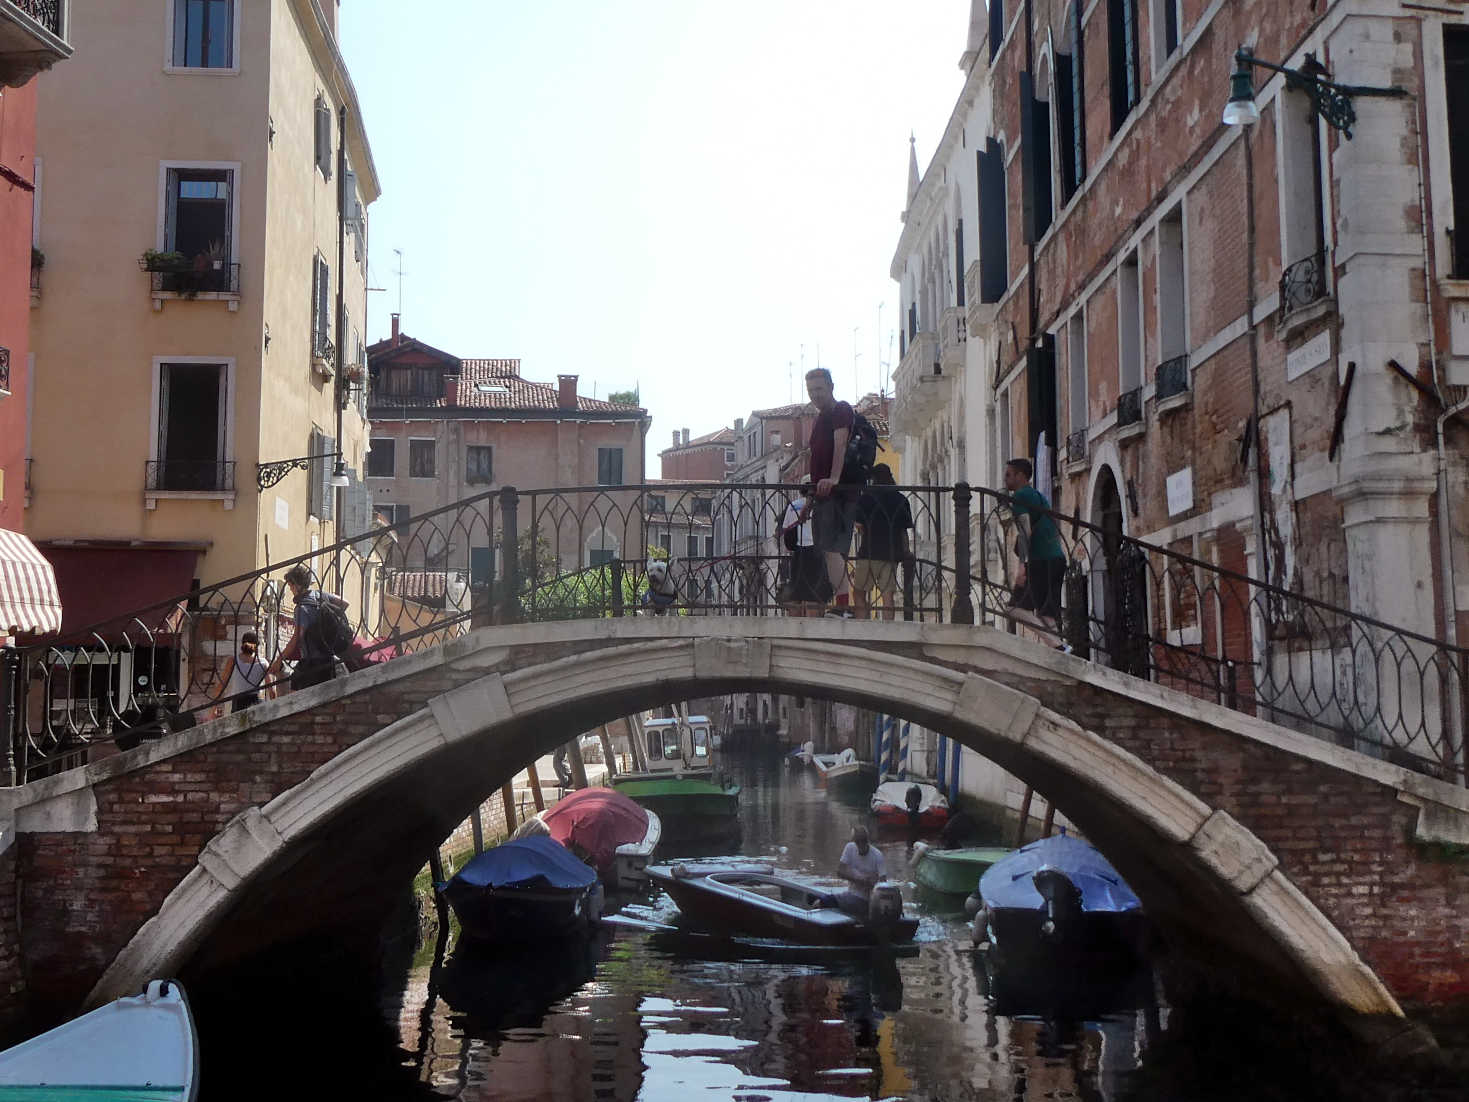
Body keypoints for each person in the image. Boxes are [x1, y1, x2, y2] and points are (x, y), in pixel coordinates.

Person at [804, 368, 857, 618]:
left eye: (819, 389)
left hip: (838, 494)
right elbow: (817, 461)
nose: (815, 395)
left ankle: (844, 606)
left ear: (831, 387)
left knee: (833, 550)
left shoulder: (841, 410)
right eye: (811, 391)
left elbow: (841, 444)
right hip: (822, 495)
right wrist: (809, 502)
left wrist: (834, 478)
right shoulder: (819, 420)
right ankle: (840, 603)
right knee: (828, 552)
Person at [1004, 457, 1068, 649]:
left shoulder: (1021, 496)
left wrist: (1022, 565)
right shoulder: (1038, 496)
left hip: (1040, 560)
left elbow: (1025, 530)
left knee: (1014, 608)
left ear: (1021, 476)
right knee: (1047, 612)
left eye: (1009, 475)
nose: (1005, 479)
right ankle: (1060, 652)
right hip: (1056, 559)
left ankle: (1057, 646)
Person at [264, 564, 346, 692]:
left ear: (297, 585)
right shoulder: (320, 595)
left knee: (295, 698)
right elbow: (345, 603)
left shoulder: (302, 608)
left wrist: (279, 660)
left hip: (312, 662)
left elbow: (296, 639)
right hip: (328, 659)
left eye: (291, 585)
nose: (290, 589)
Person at [851, 464, 914, 620]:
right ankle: (888, 628)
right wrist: (905, 552)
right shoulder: (901, 499)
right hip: (891, 553)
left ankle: (862, 625)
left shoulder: (866, 498)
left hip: (869, 551)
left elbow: (858, 525)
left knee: (859, 592)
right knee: (888, 595)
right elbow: (903, 531)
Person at [777, 486, 830, 616]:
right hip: (818, 551)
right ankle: (814, 626)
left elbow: (787, 532)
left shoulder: (793, 506)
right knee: (815, 594)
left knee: (797, 593)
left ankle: (796, 627)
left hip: (800, 552)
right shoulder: (824, 506)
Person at [212, 630, 266, 717]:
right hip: (256, 702)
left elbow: (222, 685)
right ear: (256, 646)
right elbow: (272, 692)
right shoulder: (263, 663)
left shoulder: (233, 660)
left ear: (242, 644)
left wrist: (213, 709)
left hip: (238, 703)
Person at [836, 824, 886, 915]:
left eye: (862, 843)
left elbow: (883, 884)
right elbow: (840, 872)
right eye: (857, 843)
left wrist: (871, 884)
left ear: (867, 841)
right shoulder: (850, 847)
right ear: (854, 842)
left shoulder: (877, 856)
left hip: (868, 900)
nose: (860, 847)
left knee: (827, 900)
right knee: (824, 901)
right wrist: (858, 880)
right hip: (851, 895)